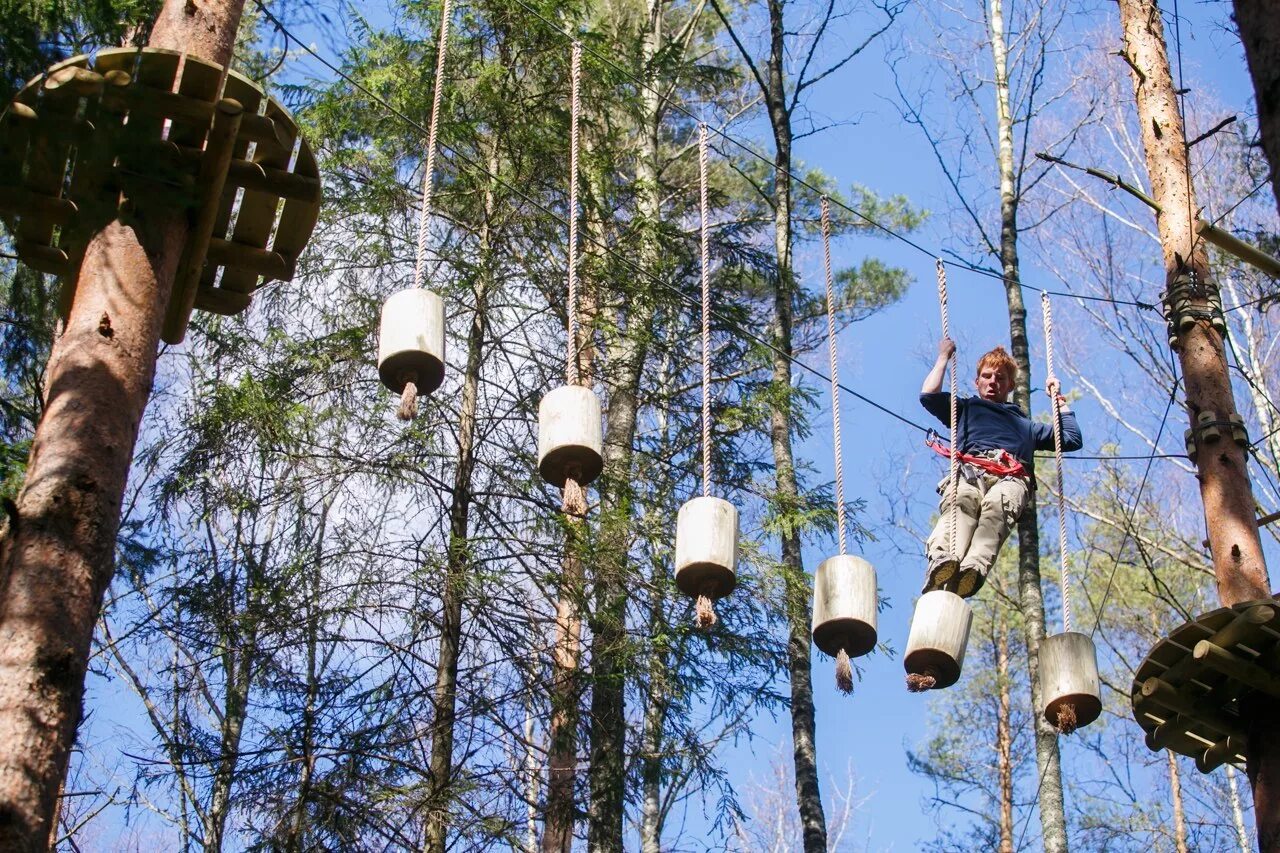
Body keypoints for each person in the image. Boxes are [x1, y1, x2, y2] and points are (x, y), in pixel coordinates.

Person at [919, 337, 1082, 598]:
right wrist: (942, 357)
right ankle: (943, 561)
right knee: (962, 501)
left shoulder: (1026, 426)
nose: (993, 381)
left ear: (1010, 386)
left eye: (1000, 378)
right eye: (987, 376)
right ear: (977, 382)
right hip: (973, 469)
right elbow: (928, 396)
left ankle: (973, 569)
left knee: (997, 509)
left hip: (1011, 477)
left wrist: (1059, 399)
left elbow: (1071, 439)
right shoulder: (966, 408)